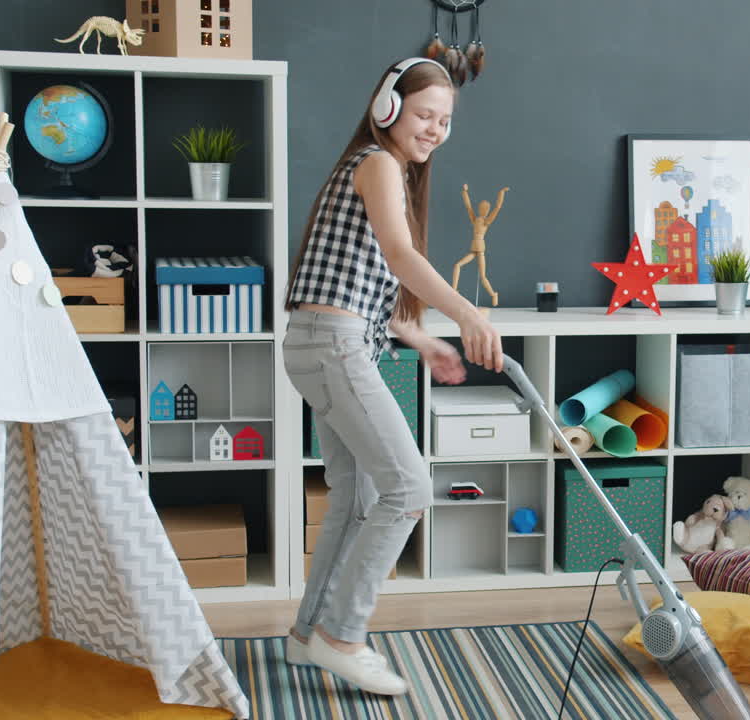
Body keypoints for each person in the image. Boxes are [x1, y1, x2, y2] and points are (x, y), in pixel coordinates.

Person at [281, 57, 503, 696]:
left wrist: (422, 339)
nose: (435, 130)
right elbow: (401, 257)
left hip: (322, 342)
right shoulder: (377, 164)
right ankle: (342, 636)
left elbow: (357, 282)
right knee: (408, 489)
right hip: (334, 347)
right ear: (387, 108)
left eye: (445, 120)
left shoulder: (380, 172)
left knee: (353, 496)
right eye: (425, 114)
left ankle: (306, 637)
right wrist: (467, 315)